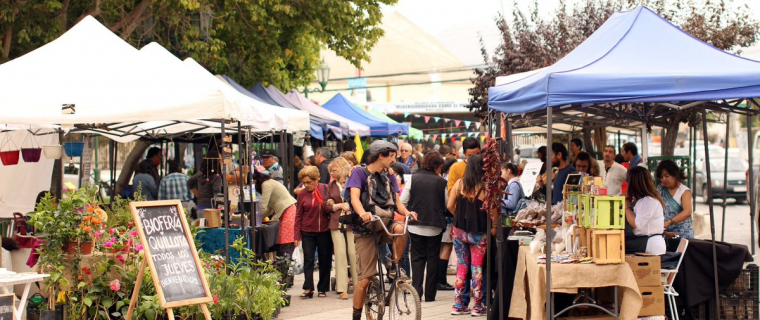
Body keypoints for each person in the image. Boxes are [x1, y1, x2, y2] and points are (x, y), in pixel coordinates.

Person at [349, 141, 418, 320]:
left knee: (401, 229)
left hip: (385, 222)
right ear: (381, 155)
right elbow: (354, 198)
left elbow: (397, 203)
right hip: (365, 228)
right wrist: (362, 213)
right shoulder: (359, 173)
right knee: (365, 279)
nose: (395, 159)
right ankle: (356, 316)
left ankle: (395, 267)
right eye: (392, 156)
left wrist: (407, 212)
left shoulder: (390, 176)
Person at [400, 151, 447, 302]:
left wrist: (410, 211)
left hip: (415, 224)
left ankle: (417, 292)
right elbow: (446, 204)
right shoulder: (441, 182)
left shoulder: (413, 179)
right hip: (435, 225)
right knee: (433, 259)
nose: (441, 169)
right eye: (440, 166)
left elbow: (402, 200)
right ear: (435, 165)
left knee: (417, 259)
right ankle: (430, 295)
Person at [447, 155, 489, 316]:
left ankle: (458, 304)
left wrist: (458, 214)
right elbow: (490, 211)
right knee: (476, 268)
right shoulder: (484, 187)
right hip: (478, 233)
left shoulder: (459, 184)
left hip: (459, 231)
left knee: (462, 265)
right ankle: (478, 306)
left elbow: (450, 205)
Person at [294, 166, 333, 298]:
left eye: (309, 182)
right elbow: (298, 215)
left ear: (317, 179)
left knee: (325, 260)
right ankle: (308, 287)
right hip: (307, 231)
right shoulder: (301, 194)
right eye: (304, 183)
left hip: (324, 230)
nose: (306, 185)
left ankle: (322, 288)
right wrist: (296, 235)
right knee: (309, 259)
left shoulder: (326, 189)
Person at [325, 158, 358, 300]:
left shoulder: (352, 181)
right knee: (340, 254)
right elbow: (325, 206)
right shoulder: (330, 185)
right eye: (330, 171)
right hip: (336, 222)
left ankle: (359, 286)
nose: (331, 173)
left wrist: (339, 204)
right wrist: (338, 206)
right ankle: (342, 288)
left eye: (334, 170)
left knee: (354, 253)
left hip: (352, 221)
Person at [254, 169, 298, 257]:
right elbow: (269, 209)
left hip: (288, 211)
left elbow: (263, 205)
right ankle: (283, 264)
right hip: (288, 210)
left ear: (255, 181)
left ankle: (284, 265)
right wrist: (257, 220)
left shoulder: (266, 184)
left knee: (286, 240)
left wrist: (256, 218)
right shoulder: (269, 183)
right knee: (283, 239)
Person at [625, 167, 666, 255]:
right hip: (645, 242)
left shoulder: (648, 201)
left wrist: (626, 207)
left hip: (650, 244)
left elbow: (637, 224)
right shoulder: (641, 200)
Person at [656, 160, 694, 239]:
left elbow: (687, 212)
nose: (664, 179)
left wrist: (669, 222)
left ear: (675, 174)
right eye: (661, 177)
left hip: (683, 235)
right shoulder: (660, 189)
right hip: (666, 234)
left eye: (667, 176)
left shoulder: (684, 191)